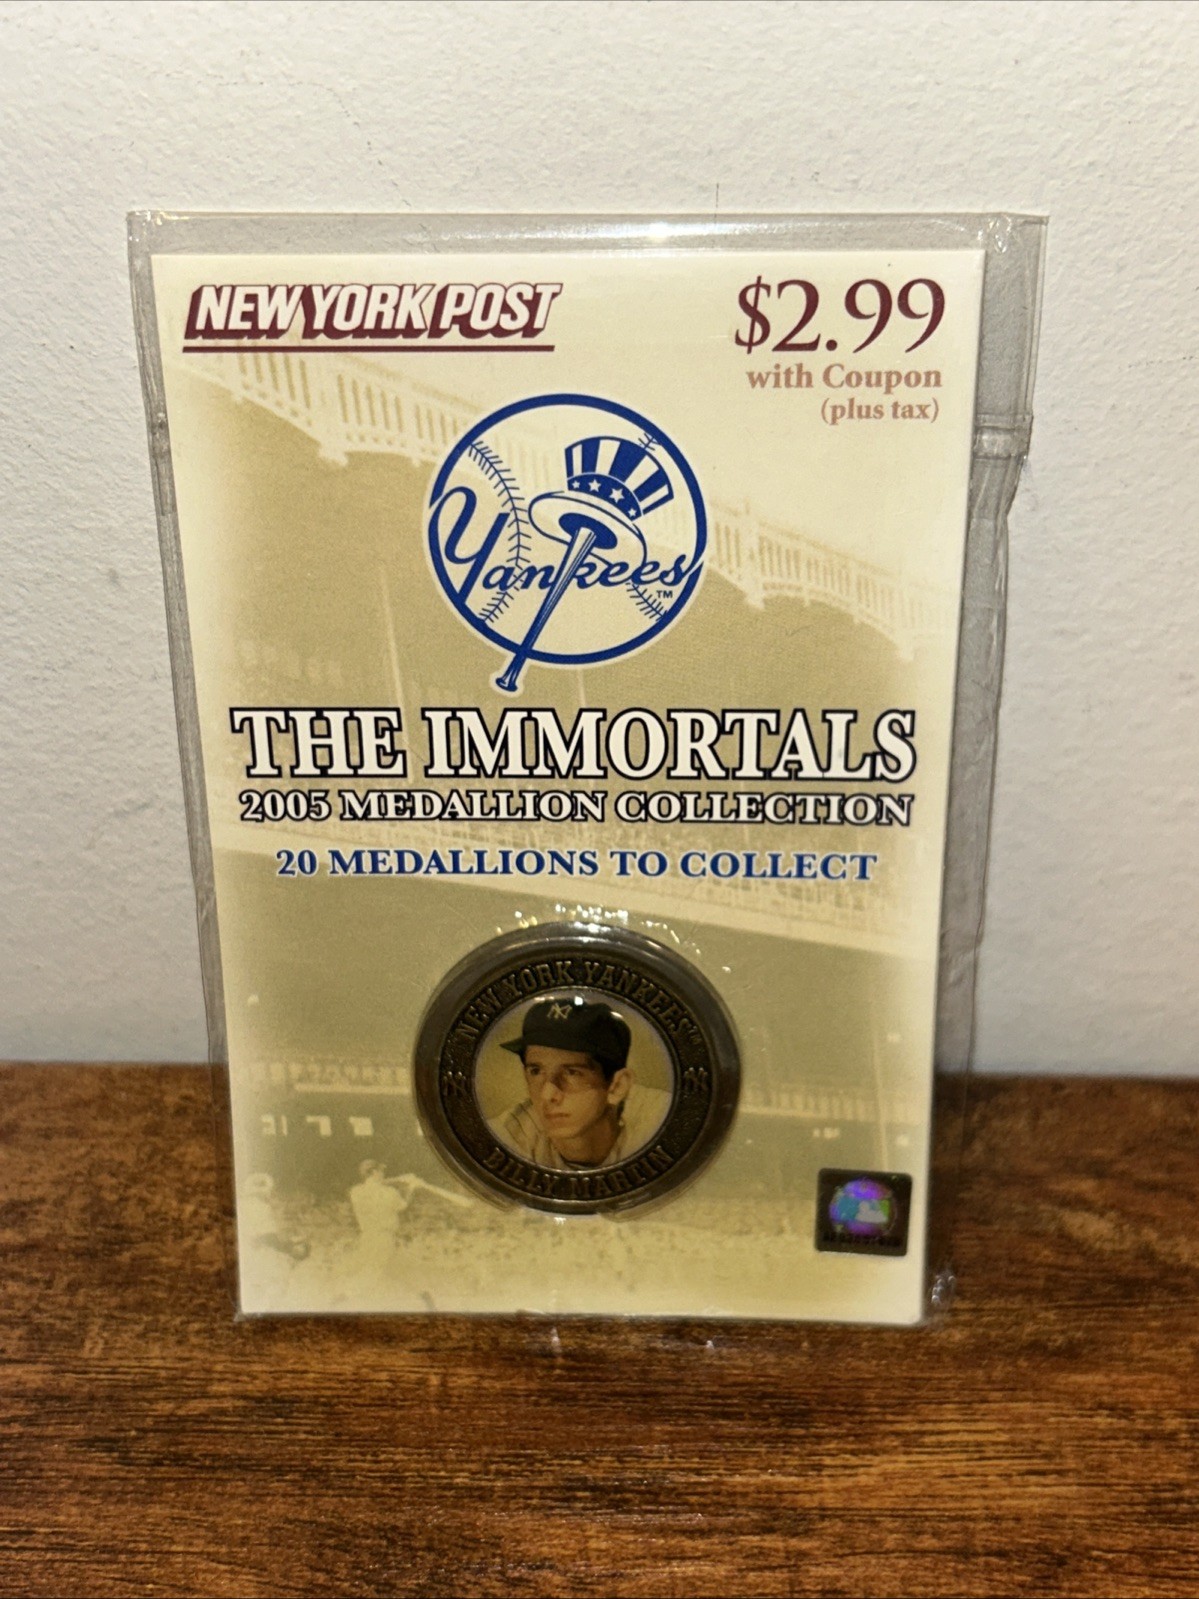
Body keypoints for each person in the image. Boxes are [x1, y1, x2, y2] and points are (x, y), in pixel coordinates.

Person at [490, 997, 671, 1170]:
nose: (547, 1094)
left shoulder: (662, 1120)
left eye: (572, 1072)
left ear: (617, 1086)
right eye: (536, 1071)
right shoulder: (507, 1136)